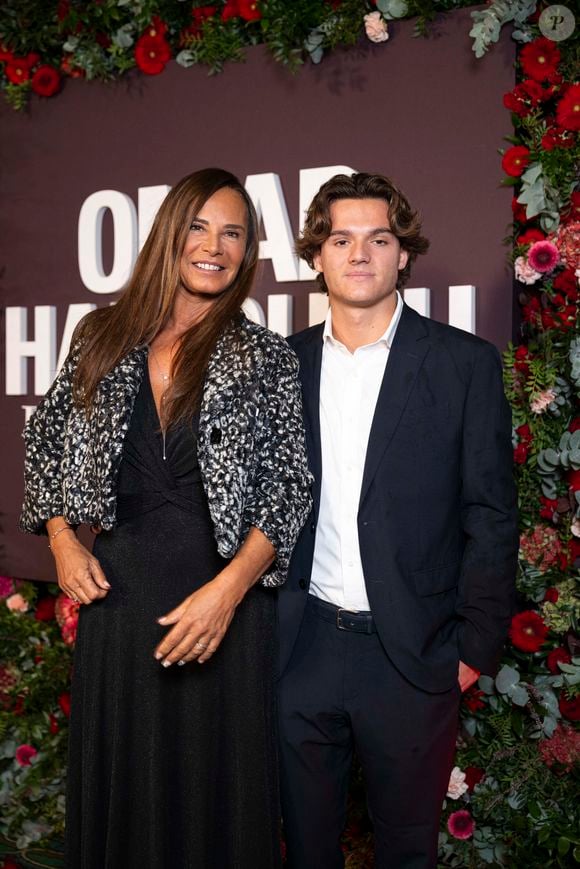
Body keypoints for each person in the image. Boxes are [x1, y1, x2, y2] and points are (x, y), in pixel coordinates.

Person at [20, 167, 312, 869]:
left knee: (218, 800)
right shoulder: (101, 334)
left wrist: (227, 593)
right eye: (199, 227)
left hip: (224, 614)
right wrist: (61, 538)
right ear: (169, 235)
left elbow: (289, 489)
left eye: (233, 233)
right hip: (118, 609)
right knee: (124, 799)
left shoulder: (266, 358)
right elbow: (45, 443)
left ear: (249, 251)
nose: (214, 245)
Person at [277, 172, 518, 869]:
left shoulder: (463, 365)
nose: (359, 254)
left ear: (403, 252)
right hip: (302, 649)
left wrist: (471, 651)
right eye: (341, 238)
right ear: (317, 256)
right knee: (304, 850)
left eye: (377, 238)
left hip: (413, 656)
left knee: (408, 850)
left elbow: (491, 514)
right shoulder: (281, 369)